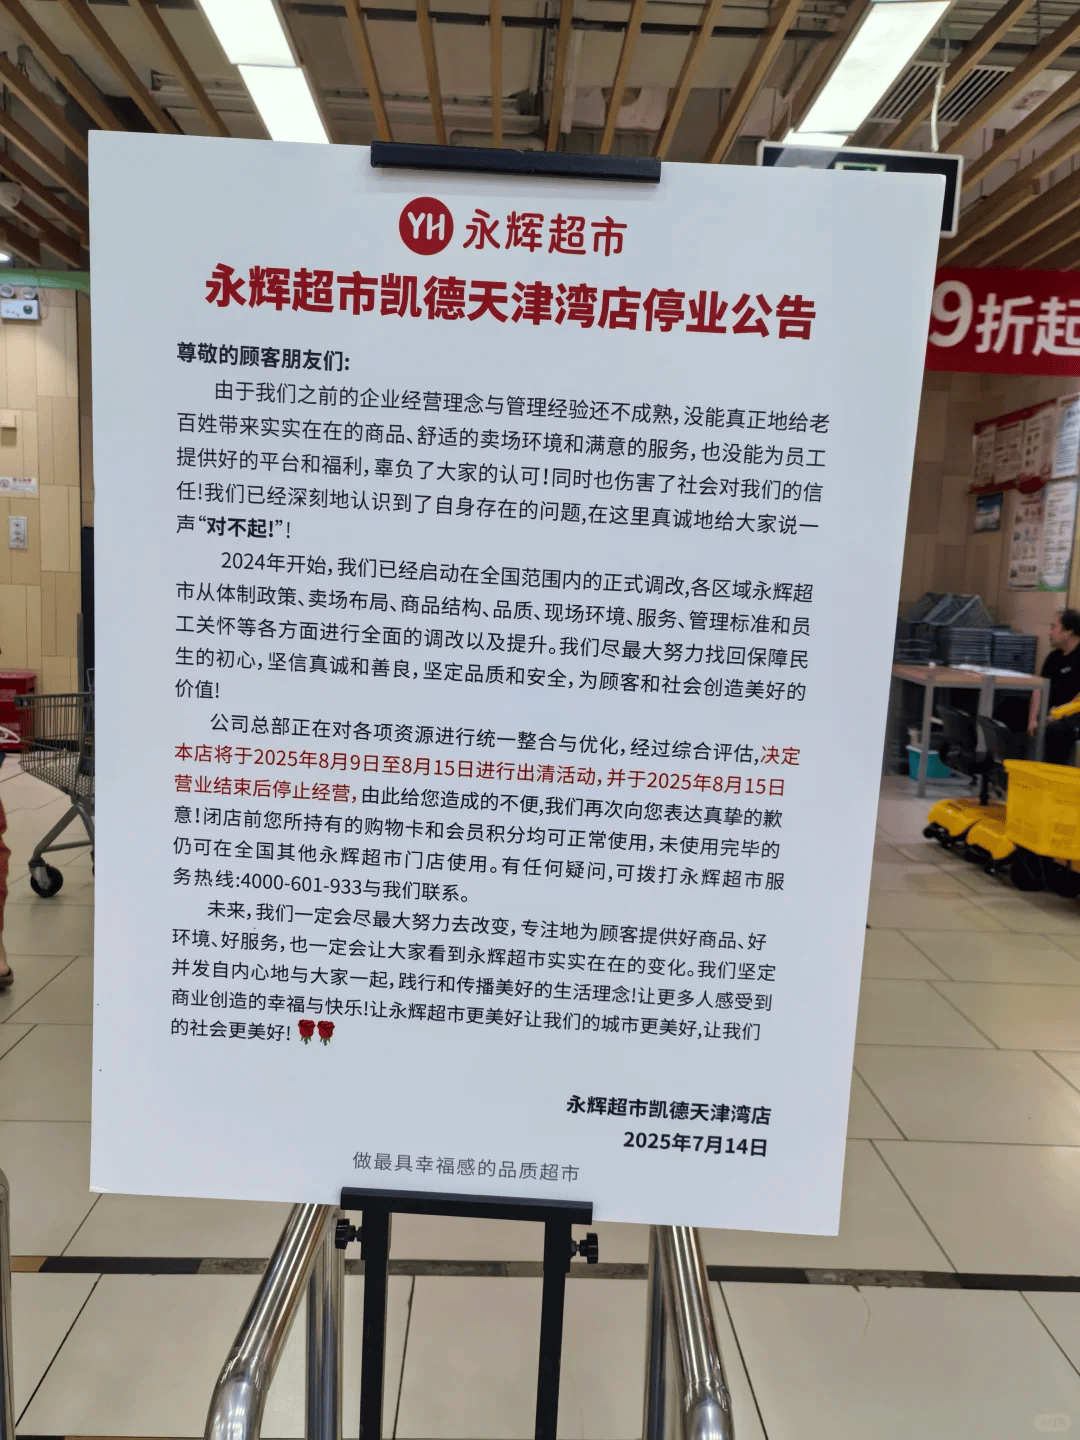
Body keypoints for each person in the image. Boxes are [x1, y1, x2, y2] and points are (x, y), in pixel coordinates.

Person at [1029, 609, 1080, 763]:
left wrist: (1058, 714)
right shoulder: (1054, 657)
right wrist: (1033, 718)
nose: (1050, 633)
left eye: (1053, 627)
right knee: (1012, 707)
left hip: (1071, 715)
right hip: (1051, 713)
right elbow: (1039, 688)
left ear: (1068, 631)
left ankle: (1054, 772)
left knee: (1057, 729)